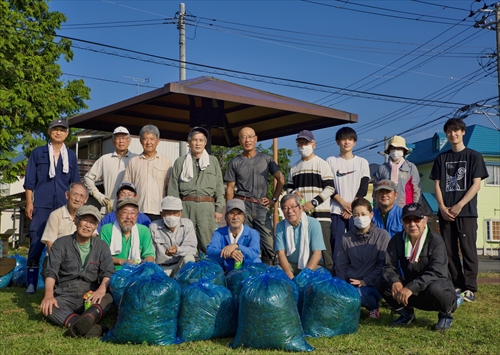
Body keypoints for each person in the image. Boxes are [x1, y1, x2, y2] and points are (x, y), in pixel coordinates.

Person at [430, 118, 488, 302]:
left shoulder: (474, 156)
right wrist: (441, 206)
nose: (453, 134)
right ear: (446, 134)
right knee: (449, 250)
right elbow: (437, 185)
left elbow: (476, 185)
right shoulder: (441, 158)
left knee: (468, 249)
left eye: (456, 131)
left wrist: (459, 205)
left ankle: (470, 288)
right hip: (445, 212)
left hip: (466, 212)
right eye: (449, 131)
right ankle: (456, 284)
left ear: (463, 132)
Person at [377, 203, 458, 331]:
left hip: (432, 290)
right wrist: (395, 281)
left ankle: (445, 314)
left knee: (437, 288)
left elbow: (438, 272)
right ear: (402, 222)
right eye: (408, 220)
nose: (412, 224)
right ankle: (406, 314)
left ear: (425, 220)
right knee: (381, 280)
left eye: (417, 219)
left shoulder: (436, 240)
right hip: (411, 292)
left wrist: (411, 287)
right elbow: (388, 266)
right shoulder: (397, 240)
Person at [24, 119, 81, 294]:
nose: (59, 133)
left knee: (66, 242)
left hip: (64, 205)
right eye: (55, 129)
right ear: (49, 132)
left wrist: (76, 207)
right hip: (41, 203)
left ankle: (63, 282)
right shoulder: (38, 153)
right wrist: (29, 202)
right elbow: (29, 181)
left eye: (62, 130)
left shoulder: (70, 155)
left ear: (67, 134)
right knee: (36, 240)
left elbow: (75, 183)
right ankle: (31, 283)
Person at [40, 205, 115, 338]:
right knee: (49, 308)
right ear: (76, 220)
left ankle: (85, 319)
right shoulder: (60, 244)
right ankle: (86, 325)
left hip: (91, 296)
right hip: (65, 295)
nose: (88, 225)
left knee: (108, 298)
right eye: (84, 220)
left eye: (92, 222)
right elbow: (51, 272)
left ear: (96, 226)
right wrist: (48, 295)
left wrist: (101, 289)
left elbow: (108, 271)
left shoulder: (102, 246)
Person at [224, 126, 284, 265]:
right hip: (242, 206)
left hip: (261, 206)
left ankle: (267, 274)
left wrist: (274, 200)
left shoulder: (266, 159)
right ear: (239, 141)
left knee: (269, 244)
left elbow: (281, 179)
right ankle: (243, 275)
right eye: (244, 137)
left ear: (255, 139)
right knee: (243, 242)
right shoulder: (234, 162)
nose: (247, 140)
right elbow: (230, 189)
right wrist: (230, 211)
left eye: (250, 136)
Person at [168, 127, 225, 255]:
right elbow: (173, 188)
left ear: (205, 143)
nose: (198, 143)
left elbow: (219, 188)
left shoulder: (213, 161)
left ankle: (210, 270)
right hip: (185, 206)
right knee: (185, 242)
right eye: (195, 140)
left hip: (207, 207)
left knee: (208, 242)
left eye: (201, 140)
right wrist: (176, 210)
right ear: (189, 142)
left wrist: (218, 209)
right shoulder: (180, 162)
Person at [287, 130, 334, 274]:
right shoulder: (294, 167)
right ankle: (305, 278)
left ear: (313, 144)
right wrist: (293, 193)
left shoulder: (322, 164)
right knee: (304, 248)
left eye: (305, 143)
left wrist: (313, 203)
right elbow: (289, 189)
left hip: (321, 214)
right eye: (300, 143)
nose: (302, 146)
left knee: (324, 249)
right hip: (302, 216)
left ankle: (329, 278)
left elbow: (330, 188)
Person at [335, 198, 390, 319]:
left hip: (373, 284)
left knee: (358, 296)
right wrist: (343, 285)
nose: (360, 218)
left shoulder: (382, 235)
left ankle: (373, 306)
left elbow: (383, 265)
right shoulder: (346, 238)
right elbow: (341, 264)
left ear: (371, 215)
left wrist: (365, 281)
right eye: (356, 215)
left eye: (363, 214)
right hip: (350, 283)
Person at [326, 127, 370, 261]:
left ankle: (356, 273)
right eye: (343, 139)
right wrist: (343, 203)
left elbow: (363, 187)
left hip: (356, 212)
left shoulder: (362, 162)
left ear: (355, 142)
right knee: (336, 242)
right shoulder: (331, 161)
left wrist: (352, 207)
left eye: (350, 139)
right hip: (336, 210)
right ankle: (336, 275)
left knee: (357, 242)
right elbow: (329, 185)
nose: (347, 142)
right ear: (337, 142)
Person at [122, 124, 171, 221]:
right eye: (145, 139)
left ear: (158, 141)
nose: (149, 142)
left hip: (159, 211)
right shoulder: (133, 161)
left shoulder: (166, 162)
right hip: (137, 211)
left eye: (152, 139)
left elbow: (169, 188)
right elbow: (127, 187)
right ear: (140, 141)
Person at [84, 126, 137, 211]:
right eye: (118, 138)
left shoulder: (136, 159)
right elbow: (88, 178)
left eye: (123, 138)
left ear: (129, 141)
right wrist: (97, 195)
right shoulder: (105, 159)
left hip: (129, 209)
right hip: (109, 208)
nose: (121, 141)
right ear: (113, 141)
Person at [275, 194, 326, 280]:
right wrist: (290, 276)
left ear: (300, 208)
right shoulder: (280, 226)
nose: (290, 211)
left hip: (310, 265)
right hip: (290, 265)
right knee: (274, 274)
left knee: (321, 278)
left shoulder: (314, 224)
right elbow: (281, 254)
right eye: (285, 208)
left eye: (293, 207)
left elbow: (317, 253)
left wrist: (305, 275)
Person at [99, 196, 155, 270]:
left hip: (137, 272)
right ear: (117, 214)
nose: (129, 217)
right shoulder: (107, 229)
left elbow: (149, 255)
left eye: (132, 213)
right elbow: (102, 256)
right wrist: (122, 261)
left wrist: (144, 267)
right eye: (125, 212)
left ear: (137, 216)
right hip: (112, 272)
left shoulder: (144, 230)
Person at [207, 199, 262, 272]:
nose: (235, 217)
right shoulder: (219, 233)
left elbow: (254, 252)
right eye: (232, 213)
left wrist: (237, 246)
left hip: (247, 271)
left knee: (256, 261)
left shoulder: (253, 233)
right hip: (224, 270)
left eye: (239, 213)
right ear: (226, 217)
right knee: (210, 261)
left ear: (244, 217)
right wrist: (229, 253)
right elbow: (210, 250)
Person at [149, 196, 197, 277]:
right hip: (161, 269)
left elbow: (192, 249)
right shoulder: (153, 227)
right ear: (161, 214)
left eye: (175, 213)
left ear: (181, 214)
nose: (172, 217)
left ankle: (186, 284)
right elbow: (151, 253)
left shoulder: (187, 224)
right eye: (168, 213)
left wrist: (177, 250)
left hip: (180, 267)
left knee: (189, 258)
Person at [373, 135, 421, 208]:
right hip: (385, 209)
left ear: (404, 151)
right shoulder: (382, 169)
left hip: (406, 209)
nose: (395, 151)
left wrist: (415, 208)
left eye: (398, 148)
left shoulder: (411, 167)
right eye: (393, 148)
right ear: (389, 150)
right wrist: (376, 209)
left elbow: (417, 190)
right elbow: (376, 191)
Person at [41, 182, 89, 253]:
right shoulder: (55, 215)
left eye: (81, 196)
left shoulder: (89, 217)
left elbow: (92, 240)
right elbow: (50, 244)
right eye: (75, 194)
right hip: (58, 258)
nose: (77, 199)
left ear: (86, 199)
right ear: (67, 195)